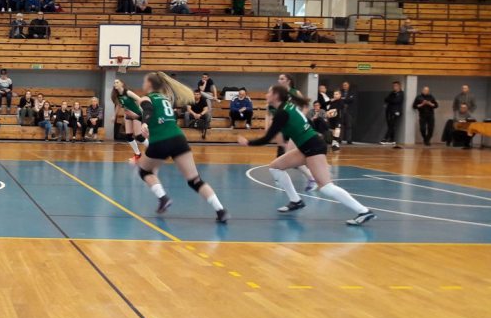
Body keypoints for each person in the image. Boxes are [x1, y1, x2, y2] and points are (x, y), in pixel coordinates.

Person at [238, 86, 376, 226]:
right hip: (306, 146)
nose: (267, 94)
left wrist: (248, 143)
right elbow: (306, 122)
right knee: (275, 167)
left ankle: (363, 211)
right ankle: (296, 201)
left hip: (313, 147)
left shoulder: (282, 113)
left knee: (326, 186)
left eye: (269, 92)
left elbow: (268, 138)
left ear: (276, 96)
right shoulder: (288, 107)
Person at [128, 72, 229, 223]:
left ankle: (163, 198)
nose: (143, 84)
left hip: (161, 141)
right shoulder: (165, 99)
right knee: (195, 180)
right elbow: (158, 115)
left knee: (144, 171)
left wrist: (144, 123)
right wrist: (141, 118)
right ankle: (220, 210)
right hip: (178, 139)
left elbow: (148, 110)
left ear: (149, 84)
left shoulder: (146, 98)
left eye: (144, 81)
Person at [111, 79, 148, 162]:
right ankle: (137, 154)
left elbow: (140, 99)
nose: (115, 84)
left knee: (138, 136)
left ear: (122, 84)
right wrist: (114, 115)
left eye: (117, 82)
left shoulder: (128, 92)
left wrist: (142, 110)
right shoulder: (117, 95)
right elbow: (118, 105)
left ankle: (153, 150)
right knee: (128, 136)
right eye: (114, 83)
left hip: (136, 114)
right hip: (128, 115)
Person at [381, 81, 404, 146]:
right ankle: (392, 139)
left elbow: (396, 101)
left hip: (396, 112)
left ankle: (385, 138)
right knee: (390, 126)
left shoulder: (401, 93)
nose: (394, 87)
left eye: (395, 86)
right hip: (389, 111)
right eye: (393, 86)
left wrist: (390, 100)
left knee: (391, 125)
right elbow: (386, 99)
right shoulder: (392, 93)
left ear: (399, 86)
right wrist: (390, 99)